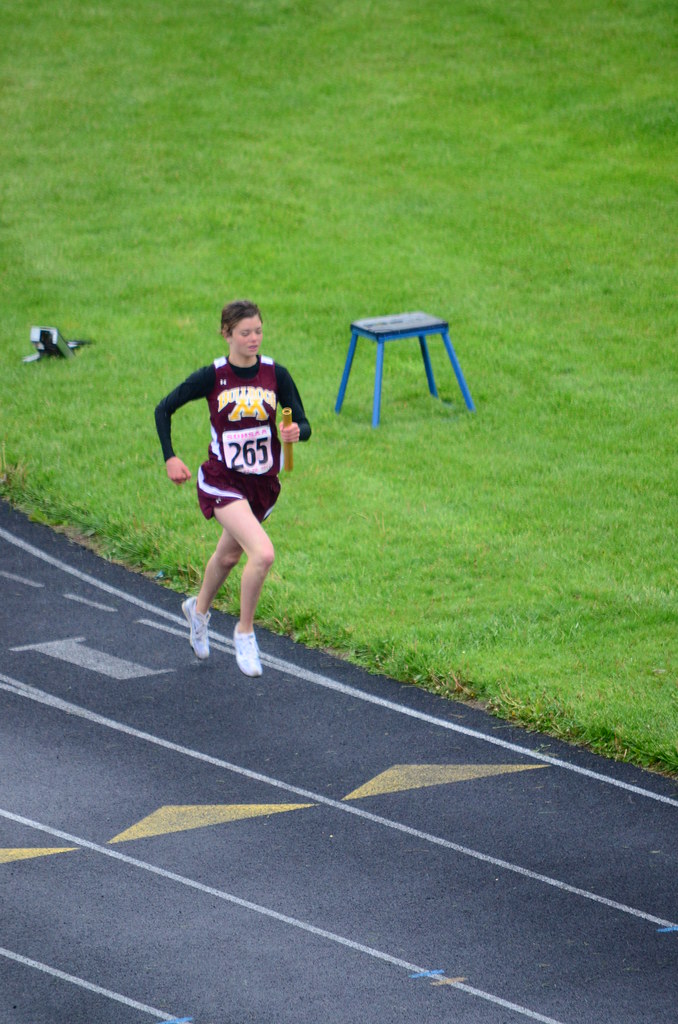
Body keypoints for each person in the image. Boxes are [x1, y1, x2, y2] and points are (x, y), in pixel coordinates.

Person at [154, 299, 311, 676]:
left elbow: (302, 424)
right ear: (226, 334)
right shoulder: (213, 376)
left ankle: (198, 610)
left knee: (227, 558)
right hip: (223, 481)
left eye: (258, 330)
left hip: (261, 486)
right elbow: (163, 408)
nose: (253, 338)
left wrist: (295, 432)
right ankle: (244, 633)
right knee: (263, 554)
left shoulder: (277, 375)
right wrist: (170, 457)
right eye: (245, 333)